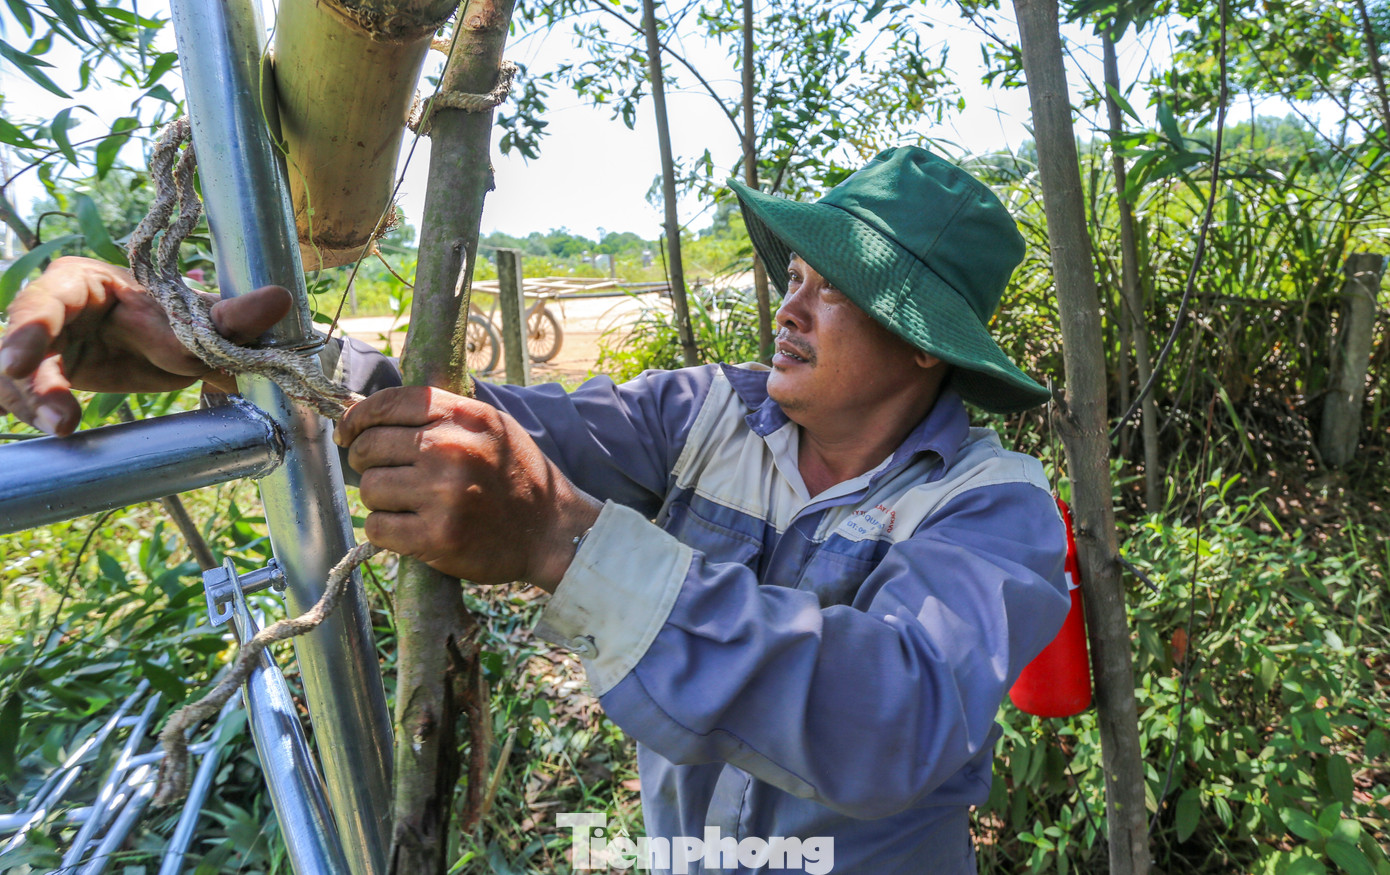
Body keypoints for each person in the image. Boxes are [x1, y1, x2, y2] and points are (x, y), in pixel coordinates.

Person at [0, 146, 1069, 874]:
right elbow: (488, 427)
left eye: (832, 286)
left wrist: (561, 538)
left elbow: (901, 719)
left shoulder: (988, 507)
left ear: (924, 339)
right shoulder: (707, 413)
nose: (788, 305)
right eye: (793, 272)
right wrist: (234, 344)